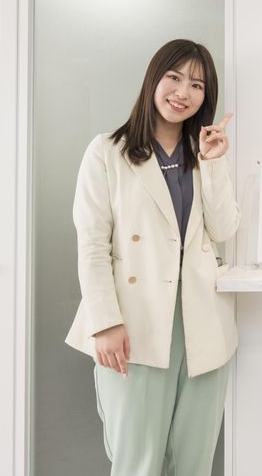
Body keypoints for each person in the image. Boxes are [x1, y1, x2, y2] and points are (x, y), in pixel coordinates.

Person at [65, 39, 240, 476]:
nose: (183, 92)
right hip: (133, 323)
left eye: (197, 85)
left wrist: (214, 164)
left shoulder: (202, 154)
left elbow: (224, 229)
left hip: (201, 323)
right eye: (174, 78)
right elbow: (92, 245)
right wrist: (105, 321)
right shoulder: (108, 151)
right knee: (137, 461)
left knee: (193, 461)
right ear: (153, 80)